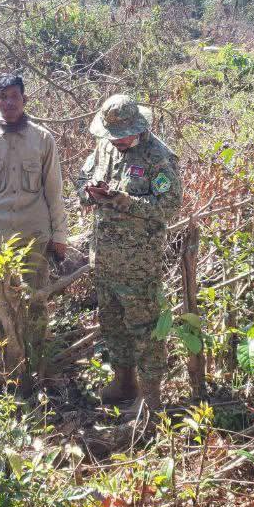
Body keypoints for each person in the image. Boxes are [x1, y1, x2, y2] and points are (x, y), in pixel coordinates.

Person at [76, 95, 182, 409]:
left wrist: (126, 201)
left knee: (146, 331)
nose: (117, 142)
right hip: (105, 260)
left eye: (122, 136)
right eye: (112, 136)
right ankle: (124, 383)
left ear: (138, 128)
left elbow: (169, 207)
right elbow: (82, 180)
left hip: (139, 266)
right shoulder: (106, 147)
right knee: (112, 325)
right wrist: (89, 190)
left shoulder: (158, 157)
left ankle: (150, 400)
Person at [0, 73, 69, 375]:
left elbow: (54, 190)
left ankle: (37, 362)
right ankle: (10, 367)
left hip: (35, 233)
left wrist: (59, 234)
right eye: (3, 96)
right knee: (3, 300)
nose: (9, 102)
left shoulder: (42, 138)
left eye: (15, 96)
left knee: (36, 298)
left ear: (25, 100)